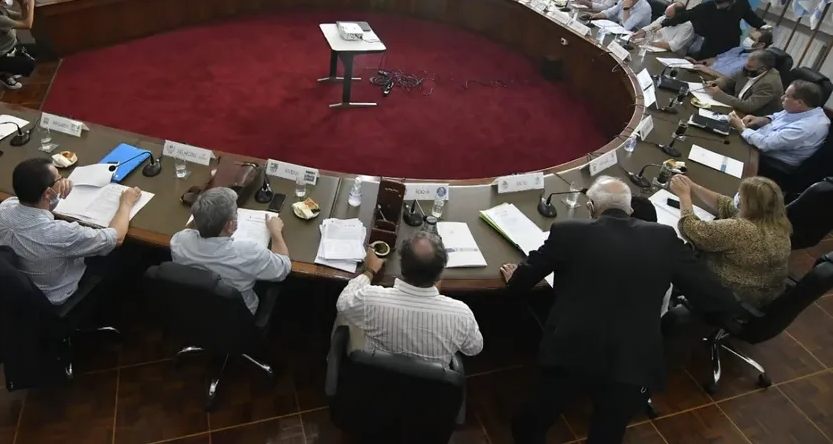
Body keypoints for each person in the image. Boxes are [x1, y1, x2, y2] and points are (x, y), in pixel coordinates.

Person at [499, 176, 739, 444]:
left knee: (531, 424)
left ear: (590, 208)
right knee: (607, 435)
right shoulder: (663, 238)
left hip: (571, 351)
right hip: (632, 360)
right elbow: (716, 297)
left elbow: (523, 282)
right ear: (631, 209)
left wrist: (515, 279)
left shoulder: (568, 232)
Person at [0, 157, 142, 306]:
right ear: (47, 193)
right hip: (54, 298)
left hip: (17, 292)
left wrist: (55, 194)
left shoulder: (4, 208)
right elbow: (117, 237)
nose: (63, 180)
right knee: (127, 255)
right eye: (59, 178)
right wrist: (126, 203)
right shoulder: (60, 233)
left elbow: (38, 208)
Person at [334, 232, 483, 367]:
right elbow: (474, 349)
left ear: (402, 266)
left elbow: (343, 302)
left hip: (377, 381)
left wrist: (370, 270)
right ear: (439, 273)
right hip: (429, 391)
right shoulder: (462, 314)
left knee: (347, 318)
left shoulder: (371, 300)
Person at [670, 174, 791, 307]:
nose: (737, 198)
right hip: (764, 289)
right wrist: (693, 186)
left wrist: (684, 196)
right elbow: (724, 204)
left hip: (735, 296)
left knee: (673, 252)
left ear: (750, 204)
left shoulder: (743, 230)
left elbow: (691, 229)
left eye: (741, 196)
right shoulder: (774, 220)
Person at [170, 187, 291, 314]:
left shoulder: (179, 241)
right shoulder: (248, 252)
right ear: (230, 226)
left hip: (191, 309)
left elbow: (189, 229)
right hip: (235, 318)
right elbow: (283, 268)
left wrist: (203, 218)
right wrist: (276, 232)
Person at [729, 80, 831, 177]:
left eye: (786, 96)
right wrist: (762, 119)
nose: (782, 98)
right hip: (760, 141)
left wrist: (741, 127)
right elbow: (778, 116)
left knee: (729, 153)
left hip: (771, 160)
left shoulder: (804, 128)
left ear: (799, 102)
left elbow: (765, 144)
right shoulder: (803, 109)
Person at [661, 0, 766, 60]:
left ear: (731, 2)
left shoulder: (741, 3)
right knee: (702, 63)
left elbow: (751, 17)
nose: (717, 7)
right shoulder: (709, 6)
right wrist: (665, 23)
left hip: (731, 42)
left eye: (721, 4)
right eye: (716, 3)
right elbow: (688, 14)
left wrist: (763, 26)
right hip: (711, 42)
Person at [703, 49, 784, 116]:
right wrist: (716, 83)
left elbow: (748, 106)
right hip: (735, 108)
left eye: (749, 67)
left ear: (762, 69)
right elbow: (729, 79)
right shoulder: (749, 67)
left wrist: (718, 94)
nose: (745, 68)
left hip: (750, 117)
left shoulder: (769, 83)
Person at [689, 28, 773, 80]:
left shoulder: (754, 62)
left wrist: (710, 71)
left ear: (761, 45)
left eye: (752, 38)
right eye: (749, 36)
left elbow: (733, 82)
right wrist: (697, 63)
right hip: (701, 74)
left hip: (714, 83)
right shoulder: (738, 49)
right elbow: (715, 59)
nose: (747, 39)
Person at [583, 0, 652, 31]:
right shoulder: (624, 0)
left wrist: (626, 8)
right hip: (618, 29)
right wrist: (595, 16)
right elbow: (610, 12)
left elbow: (627, 26)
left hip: (633, 37)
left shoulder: (644, 8)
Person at [631, 2, 695, 53]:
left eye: (668, 16)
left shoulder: (687, 26)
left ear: (678, 16)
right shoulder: (664, 17)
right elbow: (649, 28)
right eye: (665, 15)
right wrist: (638, 34)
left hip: (670, 55)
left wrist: (647, 43)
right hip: (653, 49)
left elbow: (673, 45)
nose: (665, 18)